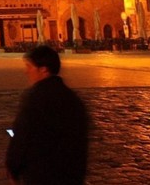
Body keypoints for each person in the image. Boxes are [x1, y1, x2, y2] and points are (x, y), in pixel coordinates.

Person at [6, 45, 89, 184]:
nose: (26, 71)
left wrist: (13, 167)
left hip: (41, 174)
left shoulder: (35, 98)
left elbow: (22, 136)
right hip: (71, 175)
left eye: (29, 66)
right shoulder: (72, 98)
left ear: (43, 69)